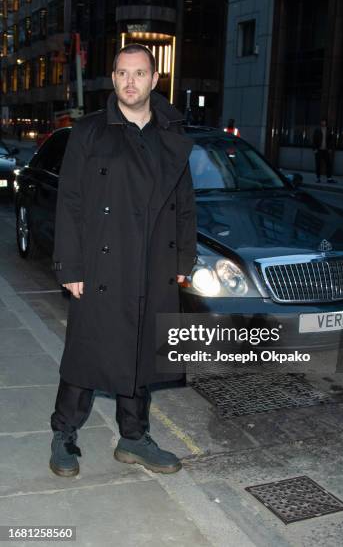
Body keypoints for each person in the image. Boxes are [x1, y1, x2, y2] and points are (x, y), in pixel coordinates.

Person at [50, 43, 197, 477]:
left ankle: (133, 438)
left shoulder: (171, 132)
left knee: (141, 352)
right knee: (87, 351)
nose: (129, 81)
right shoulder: (91, 131)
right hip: (101, 261)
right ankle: (63, 434)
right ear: (113, 79)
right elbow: (70, 201)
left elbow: (184, 203)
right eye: (121, 73)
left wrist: (184, 258)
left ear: (154, 80)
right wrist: (70, 267)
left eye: (139, 73)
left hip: (152, 260)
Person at [312, 119, 336, 183]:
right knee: (318, 164)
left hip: (326, 150)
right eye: (322, 121)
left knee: (328, 164)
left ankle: (329, 178)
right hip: (319, 150)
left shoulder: (328, 130)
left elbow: (331, 140)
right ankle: (318, 178)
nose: (323, 122)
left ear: (326, 122)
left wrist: (330, 148)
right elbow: (314, 139)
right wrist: (314, 149)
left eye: (324, 121)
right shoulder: (317, 130)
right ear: (320, 122)